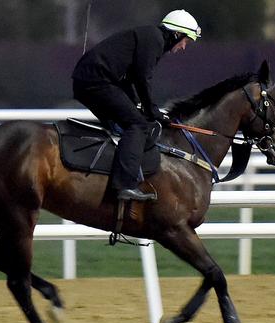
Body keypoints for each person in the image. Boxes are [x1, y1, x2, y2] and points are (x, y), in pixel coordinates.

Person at [72, 10, 201, 201]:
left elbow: (130, 79)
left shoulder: (151, 37)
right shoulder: (154, 40)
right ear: (176, 34)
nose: (183, 47)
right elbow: (142, 79)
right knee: (138, 125)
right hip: (97, 81)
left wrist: (140, 106)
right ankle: (125, 185)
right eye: (185, 41)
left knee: (130, 122)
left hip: (91, 80)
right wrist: (151, 110)